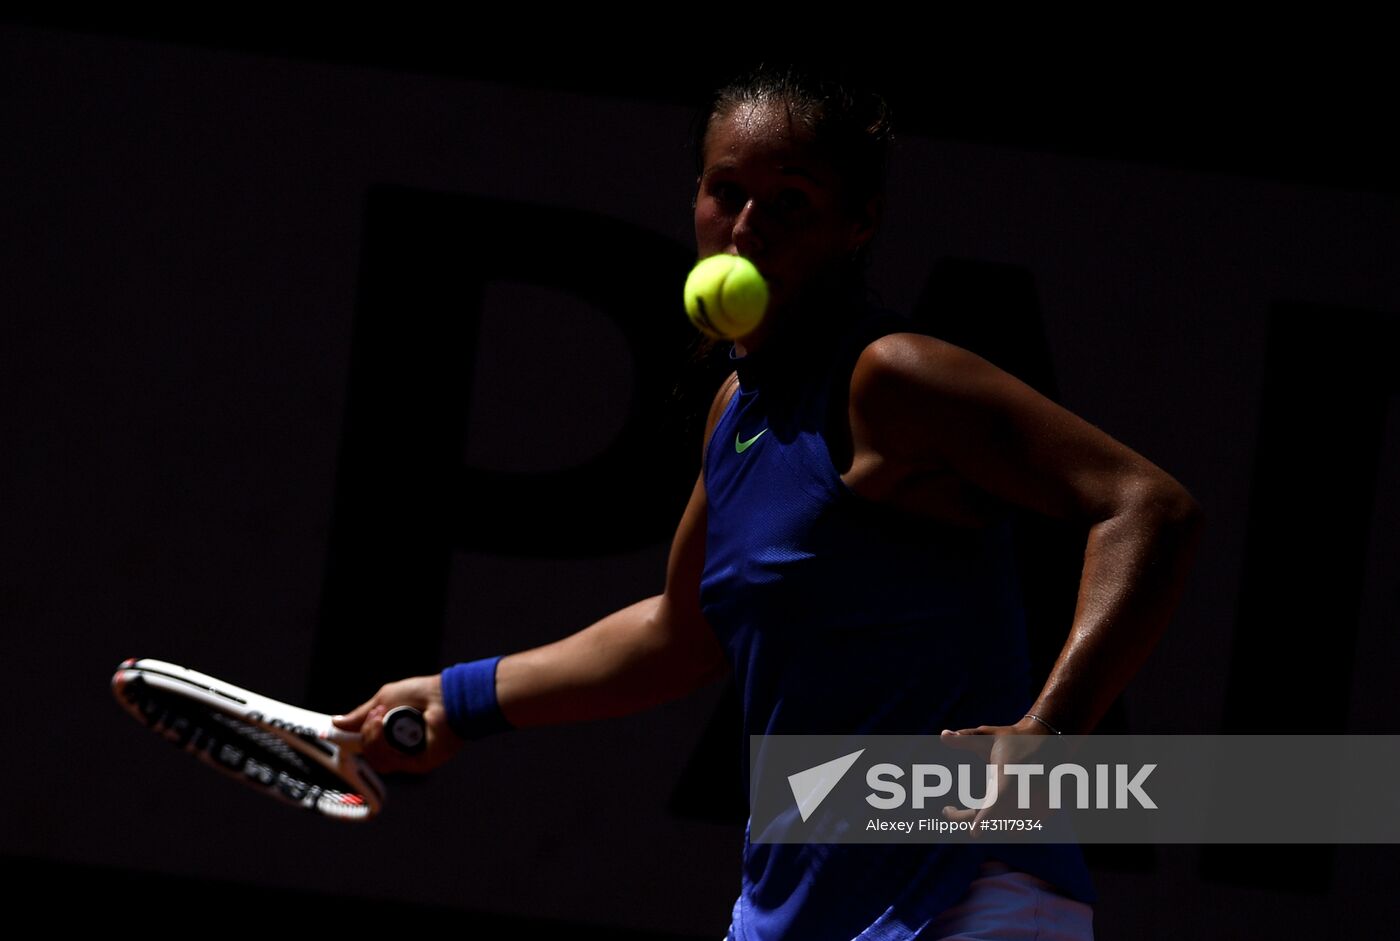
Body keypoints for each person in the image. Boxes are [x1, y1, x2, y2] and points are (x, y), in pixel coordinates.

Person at [334, 67, 1203, 940]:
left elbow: (1145, 506)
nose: (746, 228)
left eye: (791, 201)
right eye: (728, 192)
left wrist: (1047, 731)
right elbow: (680, 632)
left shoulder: (892, 377)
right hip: (789, 912)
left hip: (963, 898)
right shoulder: (735, 409)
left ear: (857, 222)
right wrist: (461, 699)